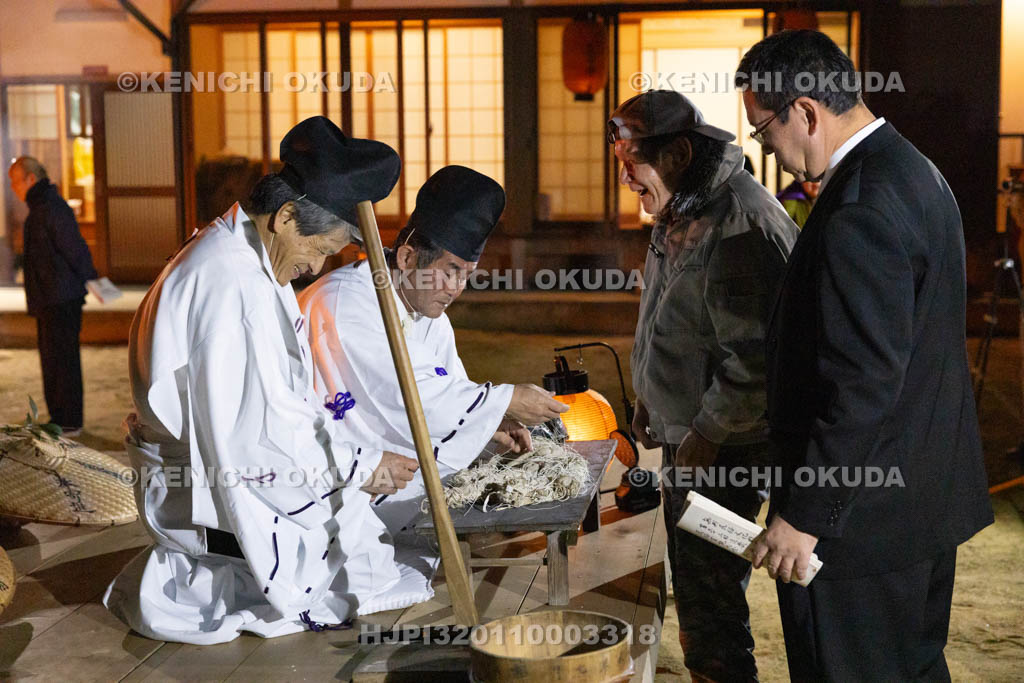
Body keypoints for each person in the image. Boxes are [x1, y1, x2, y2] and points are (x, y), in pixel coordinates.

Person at [104, 116, 420, 644]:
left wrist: (351, 460)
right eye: (319, 250)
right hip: (203, 484)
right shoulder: (230, 284)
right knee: (352, 538)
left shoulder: (239, 250)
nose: (316, 268)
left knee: (364, 521)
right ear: (287, 216)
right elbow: (252, 435)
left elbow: (275, 403)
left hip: (215, 460)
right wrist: (358, 466)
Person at [737, 30, 994, 681]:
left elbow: (862, 385)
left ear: (805, 112)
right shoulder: (915, 169)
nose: (768, 150)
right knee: (912, 665)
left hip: (860, 526)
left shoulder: (859, 209)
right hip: (920, 501)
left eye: (764, 131)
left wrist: (802, 517)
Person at [608, 90, 798, 682]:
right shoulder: (683, 207)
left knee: (710, 607)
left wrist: (705, 437)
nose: (625, 177)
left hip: (725, 449)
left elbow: (755, 363)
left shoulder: (737, 223)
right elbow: (673, 321)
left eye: (633, 160)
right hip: (692, 438)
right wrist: (648, 400)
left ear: (680, 153)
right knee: (698, 592)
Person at [299, 165, 569, 532]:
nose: (457, 289)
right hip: (330, 483)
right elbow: (408, 393)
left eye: (467, 276)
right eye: (451, 271)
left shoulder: (430, 315)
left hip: (395, 477)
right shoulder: (346, 301)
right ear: (408, 258)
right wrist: (504, 400)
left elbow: (450, 389)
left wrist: (491, 423)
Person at [8, 157, 98, 436]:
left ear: (30, 179)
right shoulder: (42, 207)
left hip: (61, 298)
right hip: (50, 298)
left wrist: (93, 278)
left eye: (15, 181)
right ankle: (60, 417)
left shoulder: (50, 207)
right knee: (53, 361)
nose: (13, 188)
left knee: (63, 361)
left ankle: (70, 420)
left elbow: (73, 246)